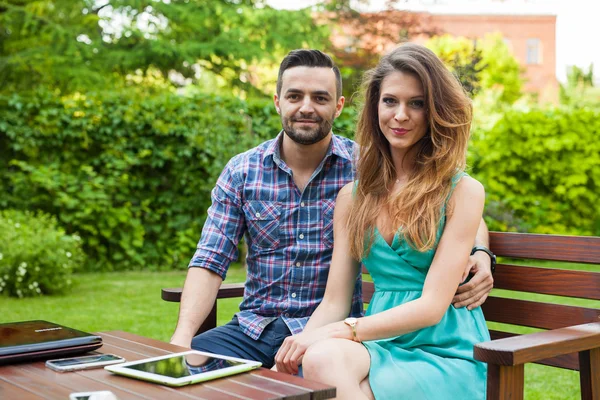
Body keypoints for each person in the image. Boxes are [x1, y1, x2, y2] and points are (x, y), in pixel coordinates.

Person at [170, 49, 494, 371]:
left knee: (308, 374)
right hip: (254, 328)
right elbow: (209, 259)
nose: (306, 107)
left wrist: (480, 253)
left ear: (339, 106)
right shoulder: (243, 171)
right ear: (277, 101)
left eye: (320, 98)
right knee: (188, 372)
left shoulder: (366, 167)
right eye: (295, 96)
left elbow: (451, 206)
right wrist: (182, 339)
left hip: (327, 330)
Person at [274, 43, 490, 399]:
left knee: (328, 364)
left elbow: (432, 306)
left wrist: (341, 330)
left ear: (435, 110)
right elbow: (334, 302)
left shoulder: (463, 191)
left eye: (416, 103)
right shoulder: (352, 198)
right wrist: (298, 343)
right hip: (380, 342)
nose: (400, 115)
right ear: (375, 108)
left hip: (446, 348)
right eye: (390, 101)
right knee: (318, 359)